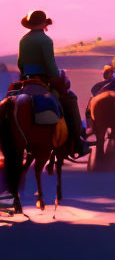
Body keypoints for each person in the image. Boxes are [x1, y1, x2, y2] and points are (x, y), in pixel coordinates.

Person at [16, 10, 89, 157]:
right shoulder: (46, 40)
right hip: (43, 78)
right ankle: (78, 142)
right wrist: (58, 75)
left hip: (26, 78)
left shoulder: (23, 40)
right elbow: (50, 66)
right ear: (44, 24)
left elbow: (20, 63)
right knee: (69, 99)